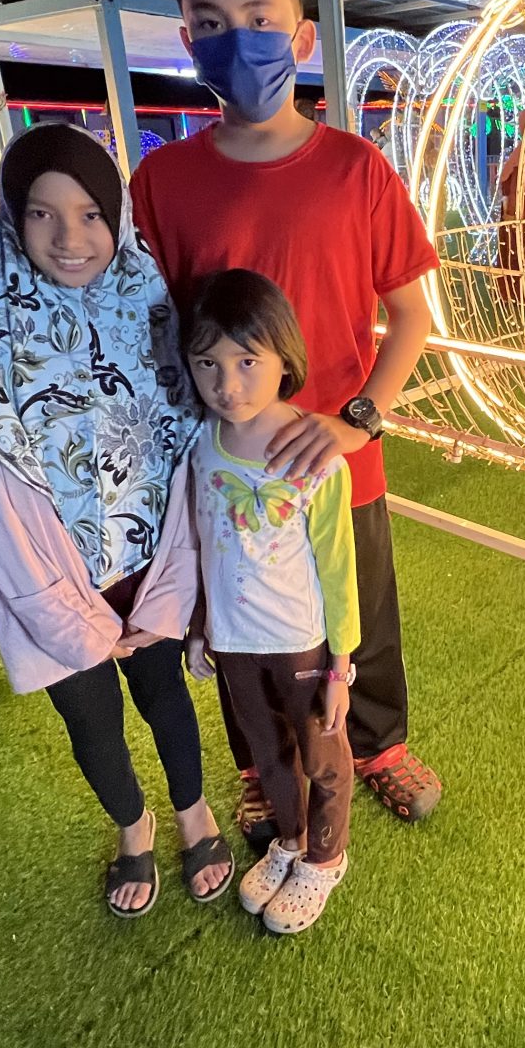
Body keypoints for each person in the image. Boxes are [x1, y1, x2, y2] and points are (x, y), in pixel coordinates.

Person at [133, 0, 442, 849]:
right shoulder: (164, 181)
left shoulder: (357, 169)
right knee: (237, 625)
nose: (240, 42)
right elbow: (150, 328)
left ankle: (378, 748)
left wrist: (357, 421)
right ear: (188, 40)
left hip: (337, 462)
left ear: (301, 37)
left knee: (361, 616)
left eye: (260, 18)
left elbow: (413, 317)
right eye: (213, 22)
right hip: (224, 465)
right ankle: (258, 765)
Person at [0, 122, 233, 918]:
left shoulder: (152, 307)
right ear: (10, 218)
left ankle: (195, 810)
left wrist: (173, 583)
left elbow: (187, 447)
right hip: (52, 585)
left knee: (164, 695)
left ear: (118, 218)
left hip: (148, 569)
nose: (70, 237)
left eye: (92, 213)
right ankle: (135, 828)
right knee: (91, 721)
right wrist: (68, 617)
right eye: (42, 213)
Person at [182, 269, 358, 934]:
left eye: (247, 362)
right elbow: (202, 538)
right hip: (232, 643)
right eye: (208, 364)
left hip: (303, 643)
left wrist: (342, 664)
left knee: (322, 758)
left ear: (284, 357)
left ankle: (325, 856)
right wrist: (201, 627)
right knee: (268, 755)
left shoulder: (316, 456)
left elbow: (340, 567)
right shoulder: (202, 443)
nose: (227, 385)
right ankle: (289, 840)